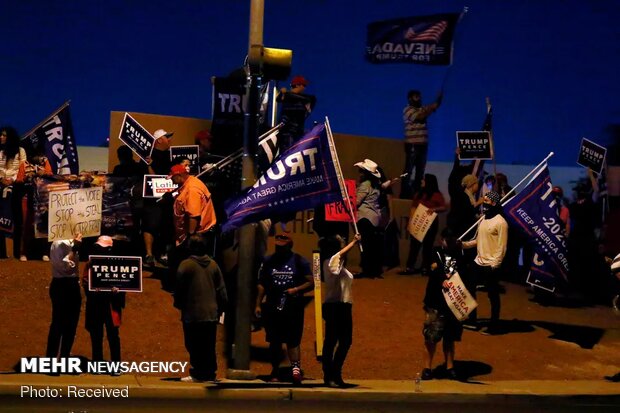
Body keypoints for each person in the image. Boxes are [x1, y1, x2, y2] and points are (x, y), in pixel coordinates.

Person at [254, 230, 313, 384]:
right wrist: (258, 304)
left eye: (283, 246)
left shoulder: (300, 261)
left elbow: (310, 282)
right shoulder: (268, 261)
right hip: (273, 305)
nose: (279, 249)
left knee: (293, 339)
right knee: (274, 340)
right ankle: (275, 370)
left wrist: (296, 290)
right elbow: (262, 284)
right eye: (277, 246)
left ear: (290, 246)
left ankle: (295, 369)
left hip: (292, 306)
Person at [174, 234, 228, 382]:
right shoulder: (213, 265)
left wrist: (178, 303)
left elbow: (179, 289)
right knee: (209, 344)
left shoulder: (185, 265)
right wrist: (222, 308)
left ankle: (197, 373)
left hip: (192, 312)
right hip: (211, 312)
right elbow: (222, 290)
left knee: (193, 344)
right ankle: (210, 373)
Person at [461, 191, 508, 334]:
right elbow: (478, 240)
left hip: (491, 264)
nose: (484, 203)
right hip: (478, 261)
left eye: (487, 200)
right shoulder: (483, 219)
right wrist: (464, 245)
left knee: (492, 294)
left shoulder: (501, 222)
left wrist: (496, 264)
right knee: (469, 288)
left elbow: (502, 246)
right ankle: (472, 320)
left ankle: (494, 325)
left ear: (494, 203)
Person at [421, 228, 464, 381]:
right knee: (431, 336)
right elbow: (433, 268)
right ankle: (427, 367)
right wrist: (442, 278)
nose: (448, 243)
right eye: (447, 240)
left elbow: (465, 273)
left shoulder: (460, 255)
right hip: (435, 301)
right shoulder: (436, 252)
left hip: (452, 302)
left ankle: (450, 367)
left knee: (450, 337)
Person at [321, 234, 361, 388]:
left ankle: (335, 372)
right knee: (331, 341)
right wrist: (353, 242)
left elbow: (342, 256)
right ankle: (329, 374)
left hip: (344, 306)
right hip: (334, 306)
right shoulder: (329, 262)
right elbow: (339, 255)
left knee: (345, 341)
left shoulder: (338, 264)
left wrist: (352, 244)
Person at [168, 164, 217, 289]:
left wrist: (190, 236)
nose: (172, 181)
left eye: (173, 178)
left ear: (179, 176)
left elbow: (194, 216)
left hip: (197, 234)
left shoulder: (192, 190)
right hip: (192, 233)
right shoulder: (189, 183)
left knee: (187, 264)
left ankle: (187, 290)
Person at [82, 236, 125, 370]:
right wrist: (93, 289)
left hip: (112, 306)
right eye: (98, 248)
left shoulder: (118, 264)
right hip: (96, 304)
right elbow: (85, 281)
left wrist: (119, 289)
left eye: (102, 248)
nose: (99, 250)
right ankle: (97, 363)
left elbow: (127, 283)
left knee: (113, 335)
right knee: (96, 334)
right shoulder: (90, 263)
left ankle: (116, 365)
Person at [401, 173, 447, 275]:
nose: (422, 182)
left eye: (424, 180)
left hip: (430, 223)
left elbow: (443, 207)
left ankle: (425, 267)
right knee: (414, 246)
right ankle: (410, 267)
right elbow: (413, 207)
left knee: (427, 246)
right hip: (418, 221)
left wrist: (433, 209)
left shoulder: (436, 194)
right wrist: (411, 221)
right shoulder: (419, 193)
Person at [46, 233, 83, 359]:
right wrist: (74, 249)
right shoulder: (58, 243)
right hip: (61, 285)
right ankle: (51, 360)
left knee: (71, 324)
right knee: (58, 323)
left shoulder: (73, 241)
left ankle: (64, 357)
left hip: (72, 284)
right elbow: (64, 268)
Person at [400, 90, 442, 198]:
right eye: (416, 96)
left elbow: (434, 106)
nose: (419, 98)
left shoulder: (422, 109)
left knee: (420, 171)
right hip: (413, 144)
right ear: (410, 98)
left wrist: (438, 99)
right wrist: (431, 108)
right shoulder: (408, 109)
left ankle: (416, 194)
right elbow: (420, 117)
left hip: (423, 145)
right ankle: (404, 194)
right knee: (408, 170)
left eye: (419, 96)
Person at [15, 150, 53, 261]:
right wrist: (26, 178)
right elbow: (18, 180)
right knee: (27, 225)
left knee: (43, 224)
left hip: (43, 199)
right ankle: (24, 253)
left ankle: (45, 252)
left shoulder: (45, 162)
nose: (37, 157)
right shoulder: (24, 164)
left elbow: (51, 175)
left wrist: (44, 173)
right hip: (28, 198)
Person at [0, 126, 27, 259]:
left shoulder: (20, 151)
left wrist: (13, 180)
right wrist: (2, 179)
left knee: (17, 218)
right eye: (1, 135)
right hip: (1, 184)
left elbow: (23, 167)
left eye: (4, 135)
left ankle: (17, 252)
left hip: (17, 186)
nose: (1, 137)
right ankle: (1, 253)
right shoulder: (0, 152)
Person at [354, 159, 383, 278]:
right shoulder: (376, 184)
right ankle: (374, 271)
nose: (359, 174)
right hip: (373, 218)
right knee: (372, 246)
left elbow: (356, 202)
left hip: (365, 218)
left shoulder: (365, 184)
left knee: (365, 246)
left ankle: (367, 271)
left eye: (361, 171)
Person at [276, 75, 316, 152]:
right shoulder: (288, 98)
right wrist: (283, 93)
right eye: (303, 85)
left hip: (297, 133)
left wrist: (286, 93)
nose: (305, 88)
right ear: (297, 85)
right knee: (287, 153)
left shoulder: (302, 99)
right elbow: (278, 99)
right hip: (287, 133)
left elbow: (311, 100)